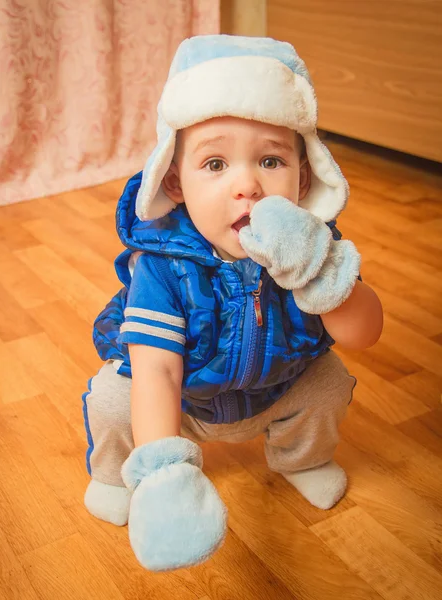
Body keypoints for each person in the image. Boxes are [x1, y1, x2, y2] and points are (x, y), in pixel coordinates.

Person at [82, 35, 383, 572]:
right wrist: (166, 468)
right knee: (112, 397)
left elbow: (364, 333)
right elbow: (159, 374)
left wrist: (318, 269)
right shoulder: (162, 265)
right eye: (215, 164)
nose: (248, 184)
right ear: (176, 183)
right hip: (186, 406)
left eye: (270, 160)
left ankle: (301, 458)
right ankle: (125, 475)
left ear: (303, 176)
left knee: (329, 382)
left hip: (274, 389)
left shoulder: (315, 249)